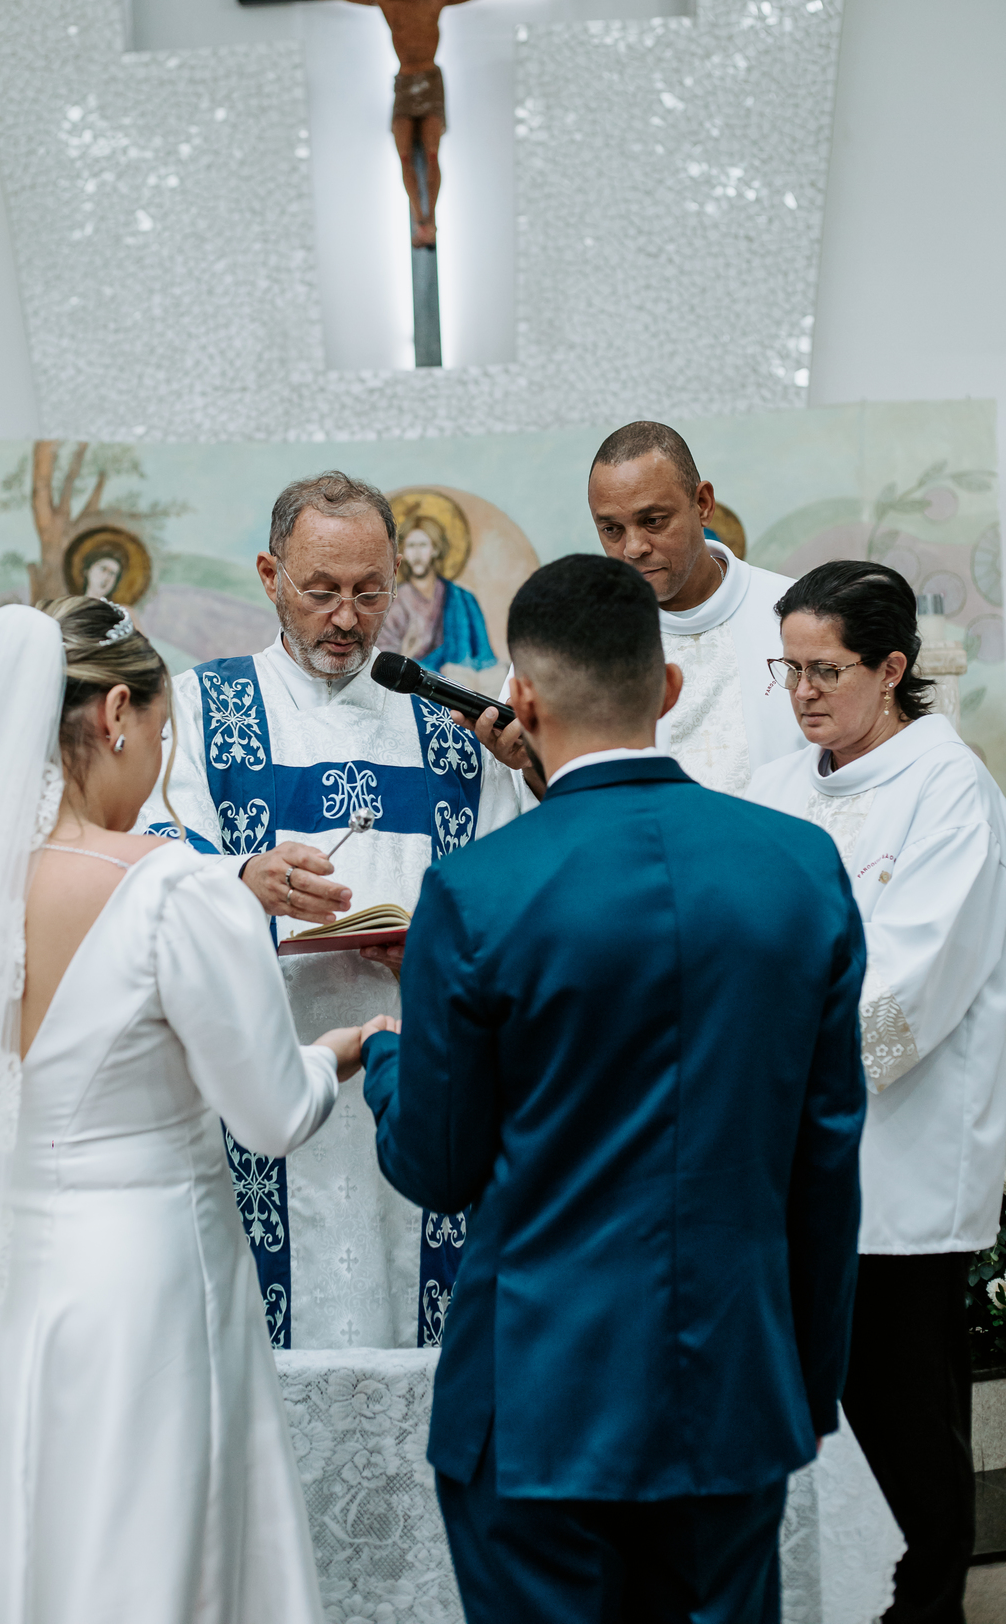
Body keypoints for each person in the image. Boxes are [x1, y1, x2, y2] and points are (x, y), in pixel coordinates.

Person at [0, 596, 391, 1624]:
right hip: (144, 1292)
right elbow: (270, 1114)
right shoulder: (175, 891)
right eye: (160, 738)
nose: (159, 768)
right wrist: (342, 1050)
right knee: (144, 1557)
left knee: (13, 1537)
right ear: (118, 713)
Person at [359, 552, 870, 1623]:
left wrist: (390, 1058)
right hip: (734, 1390)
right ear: (667, 688)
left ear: (523, 701)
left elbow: (438, 1167)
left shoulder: (477, 892)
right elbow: (825, 1162)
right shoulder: (798, 869)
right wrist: (806, 1387)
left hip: (538, 1399)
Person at [140, 471, 524, 1351]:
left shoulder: (449, 723)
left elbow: (512, 889)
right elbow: (148, 857)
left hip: (415, 1070)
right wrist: (240, 877)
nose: (347, 619)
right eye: (321, 592)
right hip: (263, 1071)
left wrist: (441, 949)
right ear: (270, 575)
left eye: (370, 592)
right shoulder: (202, 708)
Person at [749, 560, 1006, 1624]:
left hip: (898, 1169)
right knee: (810, 1419)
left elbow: (912, 984)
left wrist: (764, 1075)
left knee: (901, 1416)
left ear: (892, 668)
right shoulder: (777, 787)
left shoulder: (951, 791)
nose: (804, 693)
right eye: (789, 668)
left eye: (827, 670)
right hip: (786, 1153)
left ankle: (926, 1603)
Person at [466, 419, 804, 798]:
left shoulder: (795, 613)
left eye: (653, 521)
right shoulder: (566, 632)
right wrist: (531, 765)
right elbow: (548, 806)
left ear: (702, 504)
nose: (634, 547)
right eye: (612, 529)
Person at [255, 0, 570, 246]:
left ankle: (431, 218)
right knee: (404, 154)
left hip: (430, 80)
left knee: (432, 153)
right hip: (405, 81)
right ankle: (418, 217)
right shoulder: (383, 1)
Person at [378, 507, 496, 673]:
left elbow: (484, 657)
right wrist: (406, 653)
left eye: (423, 545)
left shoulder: (462, 599)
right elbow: (384, 662)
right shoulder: (394, 601)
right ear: (403, 551)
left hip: (459, 681)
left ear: (435, 549)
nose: (417, 554)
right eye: (411, 546)